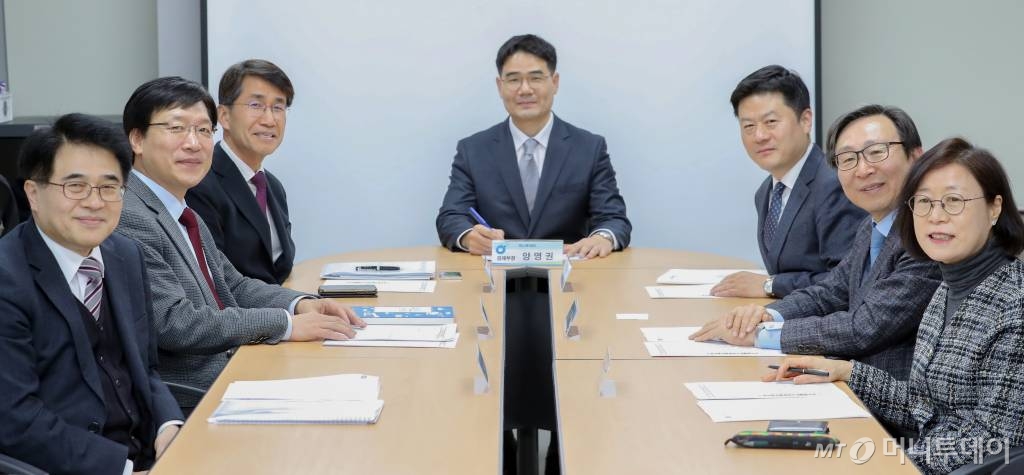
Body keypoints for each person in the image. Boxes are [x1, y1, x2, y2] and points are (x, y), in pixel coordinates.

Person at [767, 138, 1024, 475]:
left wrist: (880, 462)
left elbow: (994, 444)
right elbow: (925, 407)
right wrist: (846, 372)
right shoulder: (949, 286)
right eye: (924, 202)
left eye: (954, 201)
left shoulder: (1013, 306)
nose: (936, 216)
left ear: (994, 208)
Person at [116, 77, 363, 411]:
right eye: (176, 128)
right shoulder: (129, 214)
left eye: (204, 130)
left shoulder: (180, 210)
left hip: (233, 369)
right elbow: (175, 322)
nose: (194, 143)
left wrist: (301, 304)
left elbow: (233, 285)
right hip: (191, 397)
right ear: (137, 139)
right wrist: (285, 324)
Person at [693, 105, 942, 380]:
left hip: (888, 396)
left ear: (916, 157)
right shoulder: (872, 226)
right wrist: (766, 315)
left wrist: (761, 334)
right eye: (848, 158)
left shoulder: (927, 236)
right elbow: (830, 292)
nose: (863, 169)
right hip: (846, 379)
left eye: (876, 152)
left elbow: (864, 327)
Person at [0, 113, 182, 473]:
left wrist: (169, 427)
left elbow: (145, 368)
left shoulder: (125, 255)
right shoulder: (7, 277)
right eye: (75, 186)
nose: (94, 202)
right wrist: (124, 469)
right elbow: (14, 418)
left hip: (151, 456)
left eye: (109, 187)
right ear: (33, 193)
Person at [436, 34, 631, 259]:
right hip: (495, 273)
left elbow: (613, 218)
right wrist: (469, 237)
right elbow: (451, 216)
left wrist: (602, 238)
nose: (525, 89)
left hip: (569, 272)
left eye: (536, 78)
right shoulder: (473, 150)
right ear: (500, 86)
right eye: (514, 80)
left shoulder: (589, 148)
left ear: (555, 83)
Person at [711, 65, 865, 298]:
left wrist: (770, 285)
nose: (760, 136)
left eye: (771, 122)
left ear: (805, 120)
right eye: (748, 126)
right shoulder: (765, 192)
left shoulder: (834, 184)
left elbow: (848, 281)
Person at [187, 59, 297, 284]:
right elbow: (215, 280)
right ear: (224, 116)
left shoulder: (272, 186)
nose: (269, 120)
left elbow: (279, 269)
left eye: (278, 107)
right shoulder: (200, 183)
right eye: (256, 105)